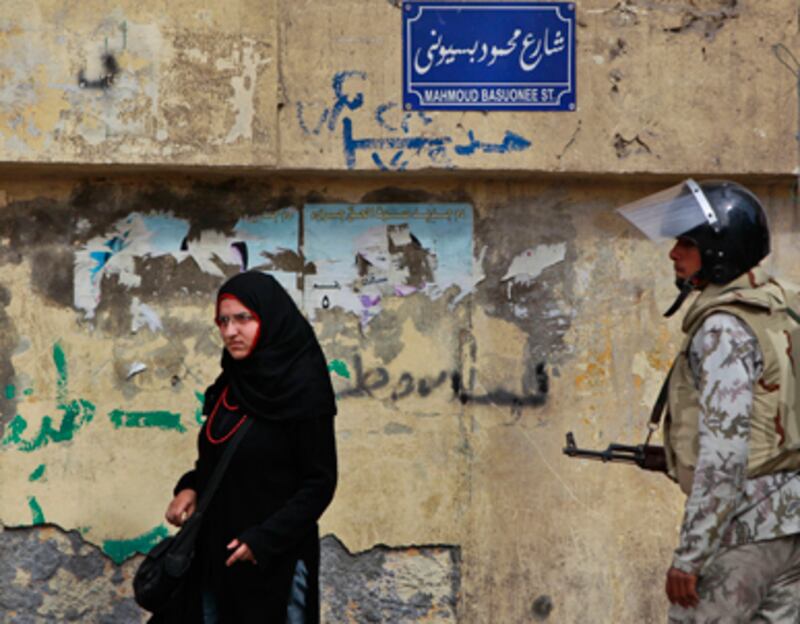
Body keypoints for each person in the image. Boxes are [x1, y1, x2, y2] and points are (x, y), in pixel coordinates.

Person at [618, 179, 800, 622]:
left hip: (743, 531)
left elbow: (725, 454)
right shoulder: (781, 308)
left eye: (687, 243)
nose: (673, 253)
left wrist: (691, 556)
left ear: (720, 251)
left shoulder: (724, 329)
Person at [163, 271, 338, 623]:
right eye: (223, 321)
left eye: (243, 319)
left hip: (274, 564)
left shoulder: (304, 390)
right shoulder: (230, 385)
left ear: (269, 319)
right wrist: (190, 487)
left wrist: (263, 540)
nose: (230, 331)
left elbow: (320, 483)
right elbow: (216, 460)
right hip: (215, 559)